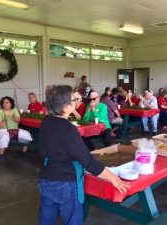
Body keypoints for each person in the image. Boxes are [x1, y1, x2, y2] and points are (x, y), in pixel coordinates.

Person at [38, 85, 129, 225]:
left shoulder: (45, 122)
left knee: (46, 219)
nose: (76, 101)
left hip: (45, 179)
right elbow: (88, 161)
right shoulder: (69, 129)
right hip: (65, 182)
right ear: (65, 106)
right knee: (72, 220)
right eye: (73, 99)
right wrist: (113, 178)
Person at [0, 96, 32, 163]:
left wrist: (14, 117)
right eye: (3, 103)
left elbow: (17, 121)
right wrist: (5, 120)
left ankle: (24, 152)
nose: (4, 104)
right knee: (5, 136)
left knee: (27, 134)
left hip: (13, 130)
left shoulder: (14, 110)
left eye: (7, 103)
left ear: (11, 104)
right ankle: (1, 155)